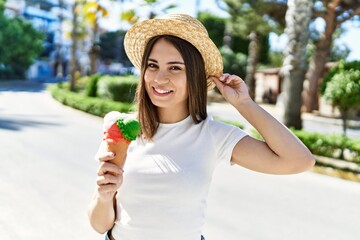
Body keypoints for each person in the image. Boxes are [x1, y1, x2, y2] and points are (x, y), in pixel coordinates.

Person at [88, 13, 315, 240]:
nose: (160, 78)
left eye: (175, 68)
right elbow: (100, 225)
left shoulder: (214, 135)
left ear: (195, 75)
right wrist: (104, 196)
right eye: (152, 65)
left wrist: (244, 104)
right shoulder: (124, 129)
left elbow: (299, 160)